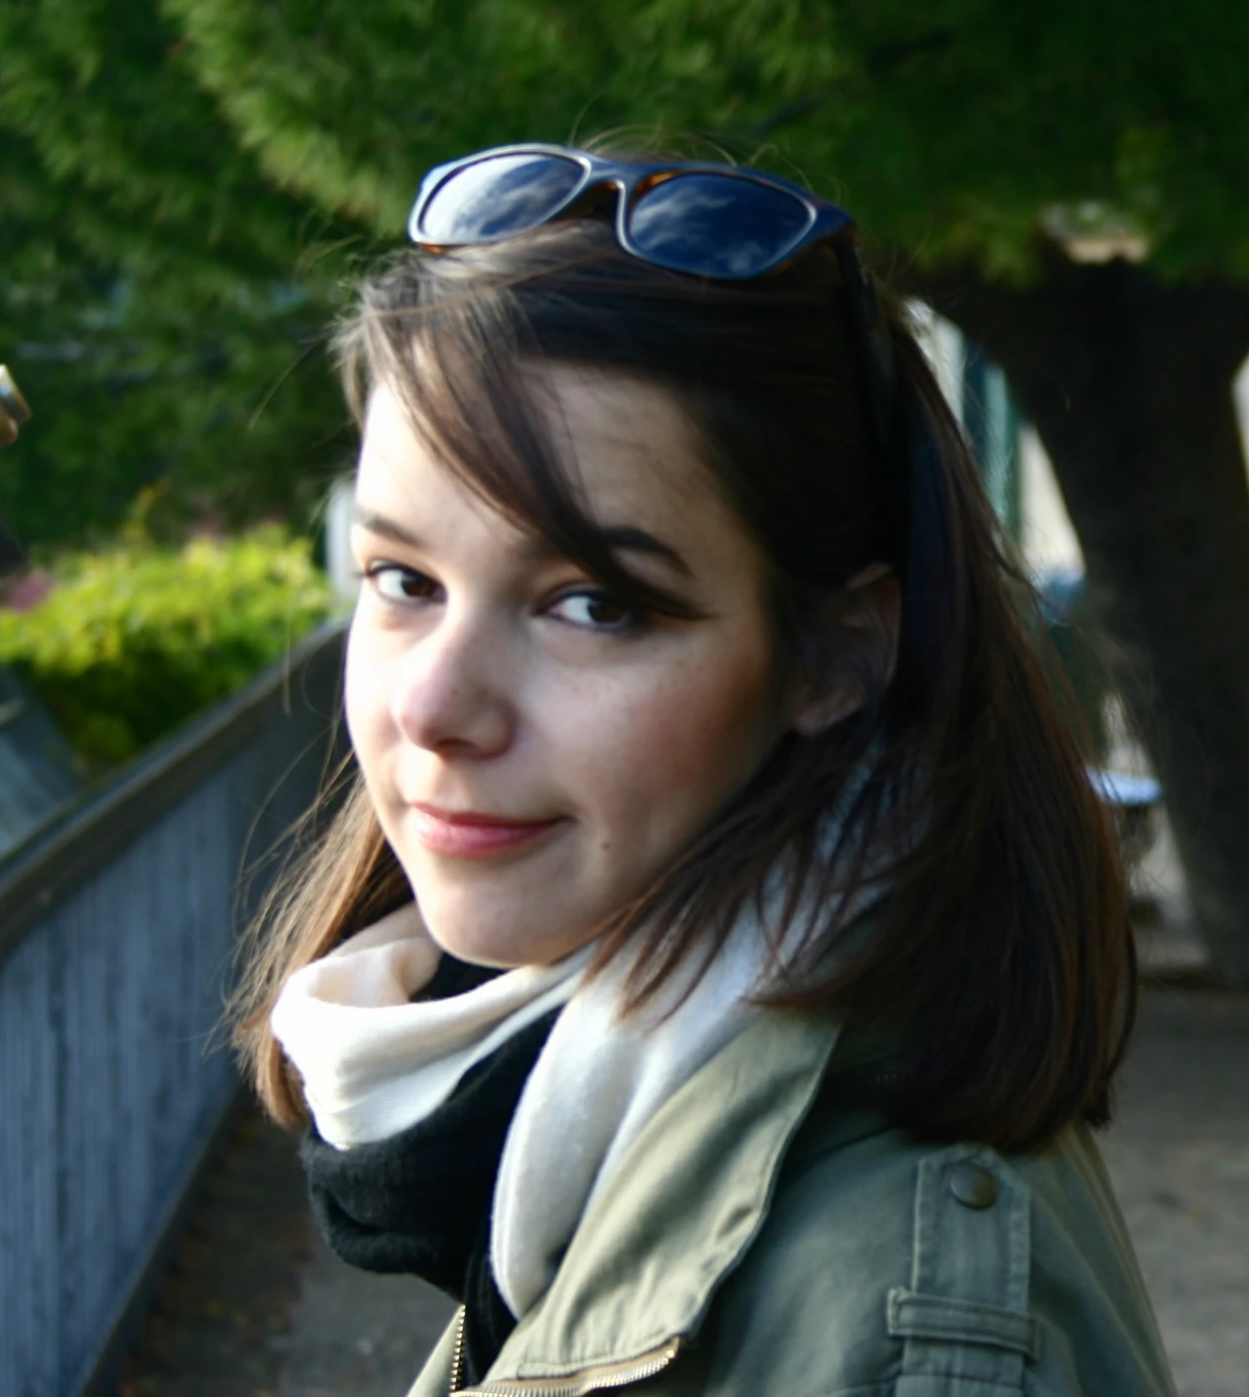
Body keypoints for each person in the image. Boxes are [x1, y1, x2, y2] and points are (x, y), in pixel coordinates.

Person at [229, 146, 1173, 1396]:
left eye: (591, 604)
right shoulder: (586, 1102)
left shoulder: (907, 1335)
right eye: (403, 580)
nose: (434, 706)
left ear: (833, 655)